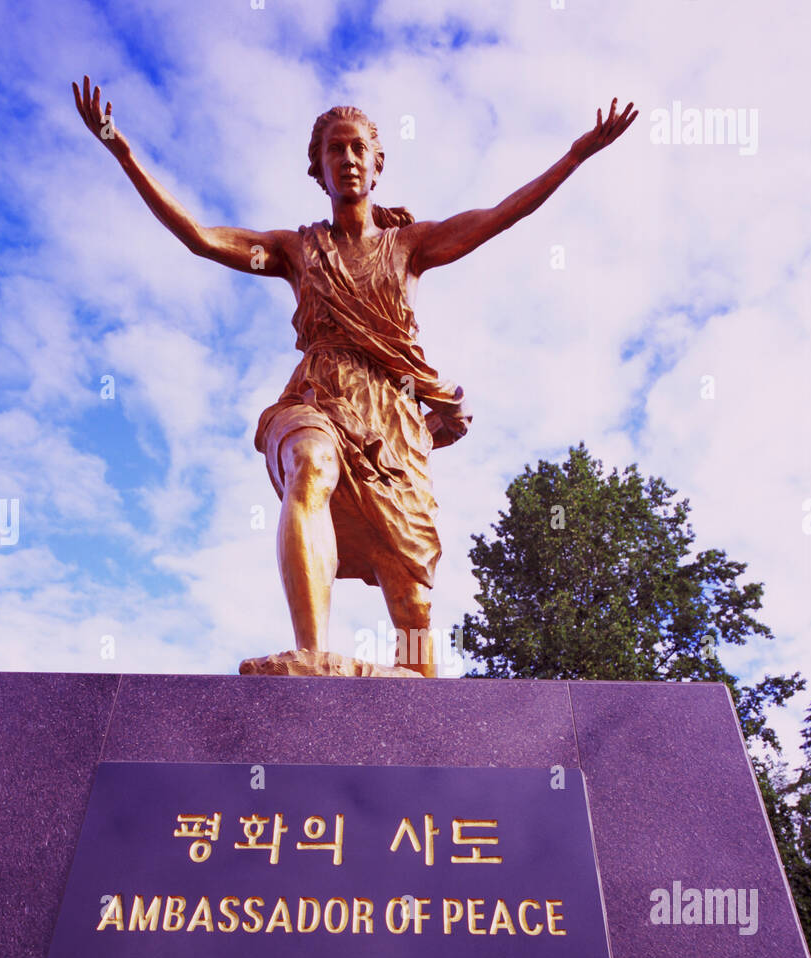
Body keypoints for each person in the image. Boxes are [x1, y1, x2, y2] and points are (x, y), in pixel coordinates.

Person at [73, 78, 637, 674]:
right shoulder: (296, 250)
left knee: (414, 609)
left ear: (377, 163)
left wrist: (574, 157)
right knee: (310, 462)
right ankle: (312, 654)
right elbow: (202, 238)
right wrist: (122, 150)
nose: (346, 159)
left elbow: (499, 216)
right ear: (316, 168)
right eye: (333, 150)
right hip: (319, 395)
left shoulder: (410, 246)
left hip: (392, 420)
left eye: (357, 148)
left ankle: (415, 691)